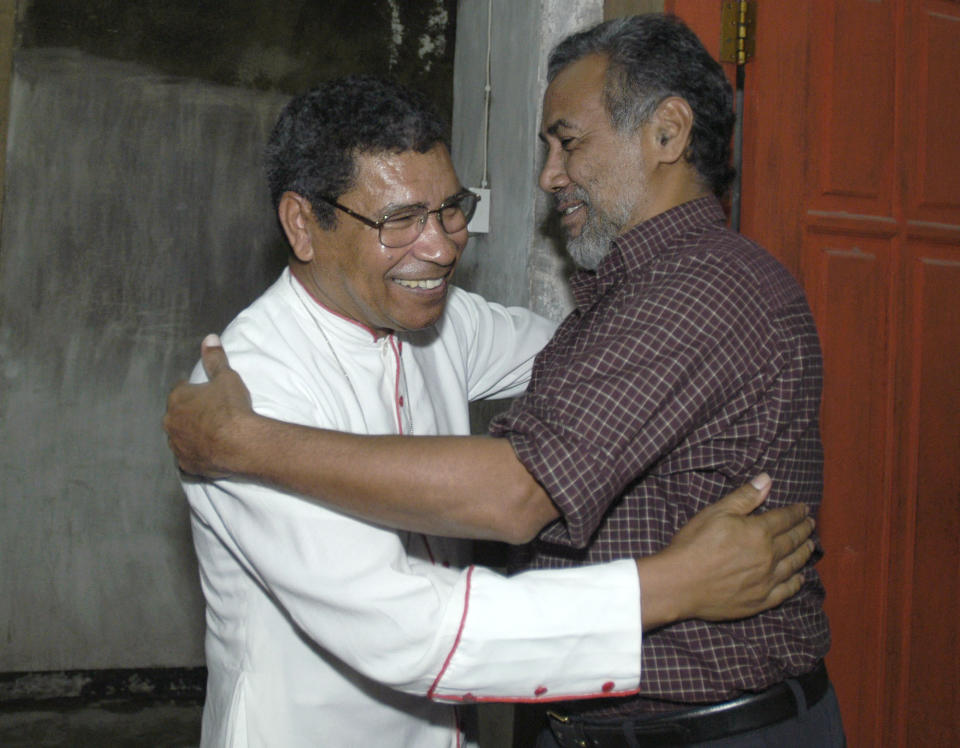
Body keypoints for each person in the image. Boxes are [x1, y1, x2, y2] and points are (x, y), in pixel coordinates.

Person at [167, 66, 820, 748]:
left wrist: (702, 356)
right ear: (303, 224)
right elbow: (411, 633)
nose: (443, 245)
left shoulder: (441, 322)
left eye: (452, 208)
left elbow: (590, 360)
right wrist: (674, 584)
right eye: (400, 220)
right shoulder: (251, 394)